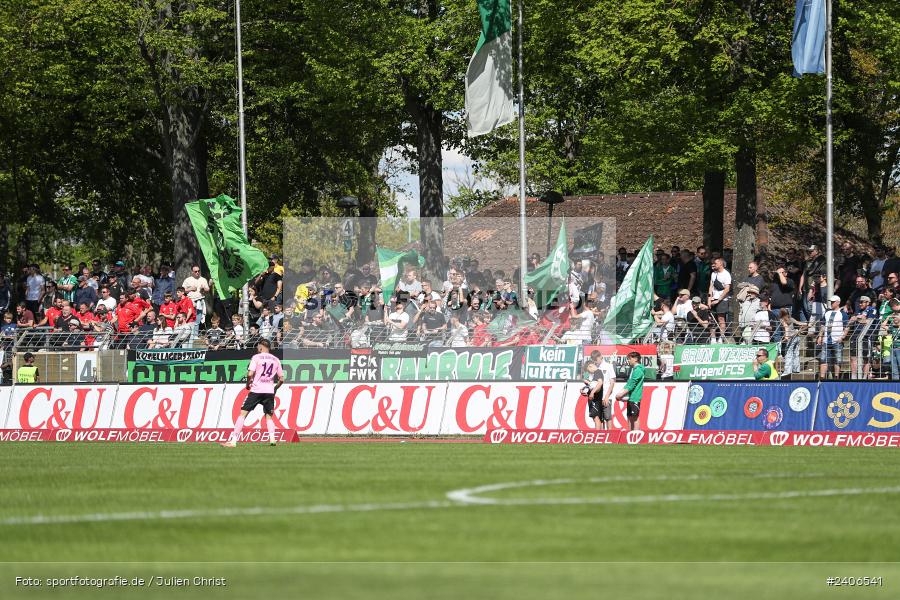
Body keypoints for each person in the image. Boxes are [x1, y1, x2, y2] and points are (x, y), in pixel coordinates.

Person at [221, 338, 284, 447]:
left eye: (258, 346)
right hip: (269, 391)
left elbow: (250, 374)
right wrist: (275, 388)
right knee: (269, 416)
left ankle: (233, 441)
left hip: (257, 389)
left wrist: (247, 384)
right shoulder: (276, 359)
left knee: (243, 414)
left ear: (260, 347)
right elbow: (282, 379)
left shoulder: (256, 357)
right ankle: (273, 439)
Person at [818, 295, 847, 380]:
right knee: (823, 359)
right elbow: (823, 325)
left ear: (838, 302)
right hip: (826, 340)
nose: (831, 303)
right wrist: (820, 336)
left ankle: (836, 377)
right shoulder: (827, 313)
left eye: (833, 302)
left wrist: (842, 337)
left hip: (837, 340)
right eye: (831, 302)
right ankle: (822, 377)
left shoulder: (843, 314)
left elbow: (846, 327)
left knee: (838, 360)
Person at [615, 351, 644, 431]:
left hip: (635, 396)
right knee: (630, 416)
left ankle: (636, 436)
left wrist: (621, 394)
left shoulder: (638, 370)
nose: (628, 360)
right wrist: (621, 393)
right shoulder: (633, 369)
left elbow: (631, 385)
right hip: (631, 397)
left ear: (635, 359)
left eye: (629, 359)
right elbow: (629, 383)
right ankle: (630, 434)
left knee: (635, 417)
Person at [708, 258, 732, 343]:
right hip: (713, 298)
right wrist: (709, 298)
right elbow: (711, 286)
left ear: (721, 264)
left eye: (716, 263)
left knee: (721, 318)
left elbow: (727, 289)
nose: (714, 264)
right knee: (711, 318)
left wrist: (718, 300)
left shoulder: (726, 274)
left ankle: (721, 337)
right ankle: (713, 338)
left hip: (722, 299)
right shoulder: (713, 274)